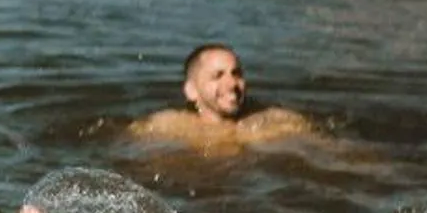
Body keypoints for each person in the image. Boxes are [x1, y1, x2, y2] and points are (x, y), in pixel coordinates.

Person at [130, 44, 312, 147]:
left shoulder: (279, 122)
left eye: (236, 74)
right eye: (217, 76)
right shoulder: (166, 126)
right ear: (191, 91)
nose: (232, 84)